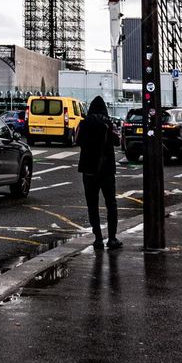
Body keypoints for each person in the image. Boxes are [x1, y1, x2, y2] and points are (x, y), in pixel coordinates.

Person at [75, 95, 122, 252]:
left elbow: (77, 140)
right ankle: (112, 238)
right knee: (111, 203)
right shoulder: (108, 123)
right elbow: (117, 141)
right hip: (106, 169)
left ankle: (98, 238)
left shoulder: (84, 123)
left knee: (92, 205)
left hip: (88, 170)